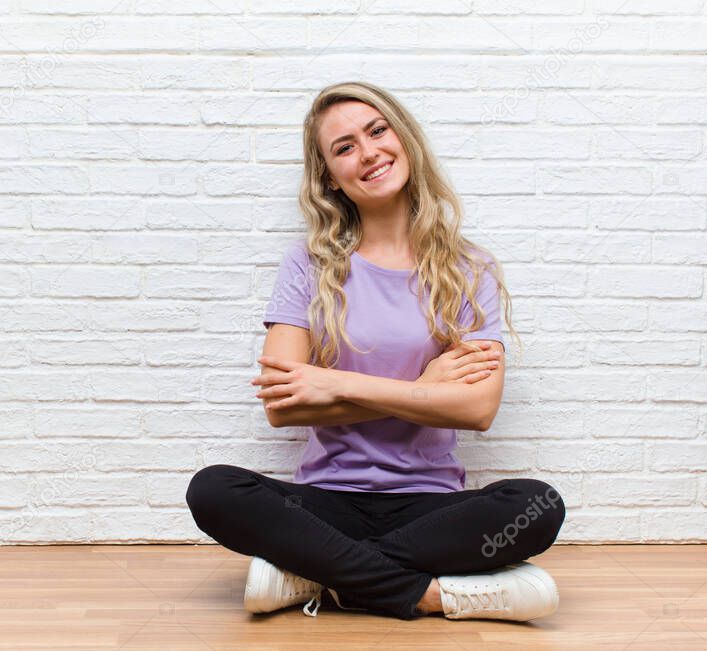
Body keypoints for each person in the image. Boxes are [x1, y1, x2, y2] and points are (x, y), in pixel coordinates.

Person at [186, 82, 565, 621]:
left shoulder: (470, 270)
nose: (368, 152)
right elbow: (283, 406)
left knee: (537, 505)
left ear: (403, 138)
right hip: (324, 503)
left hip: (429, 506)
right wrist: (425, 388)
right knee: (214, 489)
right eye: (344, 147)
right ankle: (434, 594)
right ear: (329, 177)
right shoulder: (307, 267)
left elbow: (477, 409)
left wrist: (337, 383)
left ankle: (311, 575)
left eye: (377, 131)